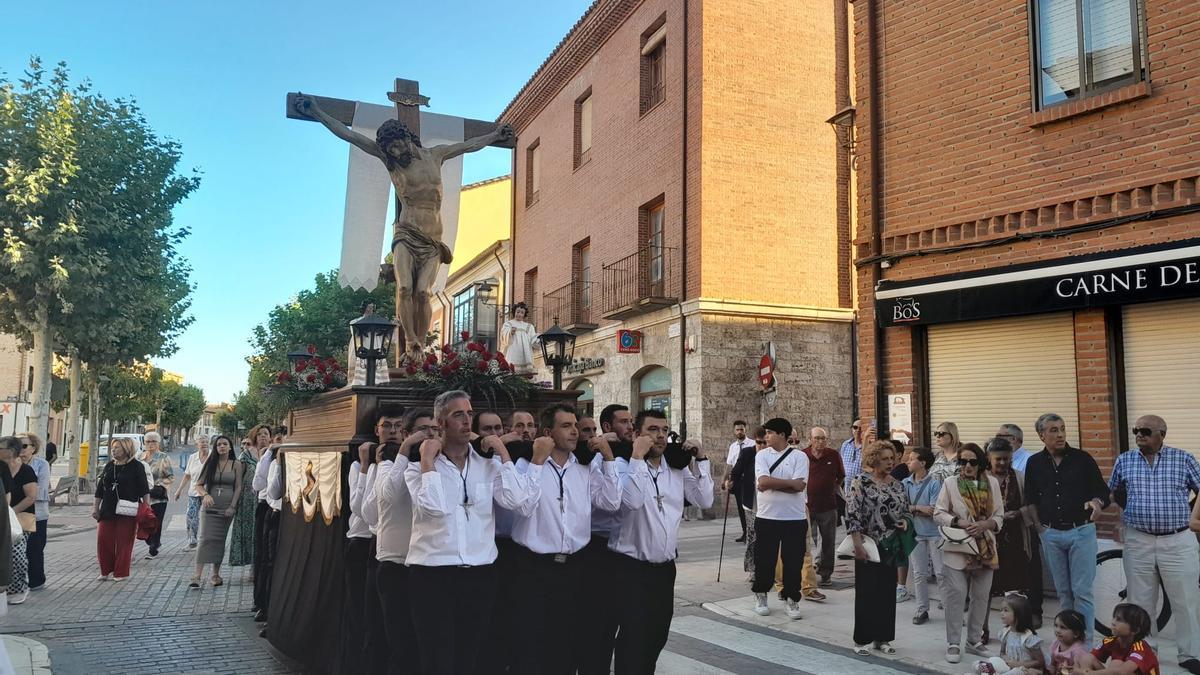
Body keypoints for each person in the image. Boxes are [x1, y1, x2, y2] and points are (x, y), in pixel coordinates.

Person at [403, 390, 540, 675]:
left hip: (480, 574)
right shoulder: (417, 467)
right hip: (433, 576)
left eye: (469, 414)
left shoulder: (488, 465)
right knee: (436, 659)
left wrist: (502, 453)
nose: (467, 421)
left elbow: (519, 502)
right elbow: (434, 508)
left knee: (472, 657)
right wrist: (429, 462)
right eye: (457, 415)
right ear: (440, 423)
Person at [508, 404, 619, 674]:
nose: (575, 431)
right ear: (548, 432)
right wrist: (537, 461)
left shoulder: (584, 467)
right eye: (566, 426)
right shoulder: (523, 465)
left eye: (575, 425)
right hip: (534, 567)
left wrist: (608, 458)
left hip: (575, 567)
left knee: (569, 641)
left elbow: (612, 501)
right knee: (532, 644)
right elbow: (522, 505)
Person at [607, 408, 713, 672]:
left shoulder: (675, 468)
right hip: (630, 567)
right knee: (633, 635)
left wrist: (701, 459)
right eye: (652, 430)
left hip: (664, 568)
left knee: (657, 633)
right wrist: (637, 457)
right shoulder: (622, 465)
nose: (660, 436)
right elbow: (631, 501)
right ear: (636, 434)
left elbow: (705, 500)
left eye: (664, 430)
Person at [1109, 414, 1200, 674]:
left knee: (1186, 600)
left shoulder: (1183, 458)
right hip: (1139, 539)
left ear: (1162, 434)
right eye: (1136, 430)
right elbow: (1114, 491)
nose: (1139, 435)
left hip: (1177, 539)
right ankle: (1144, 652)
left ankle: (1190, 654)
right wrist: (1124, 516)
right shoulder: (1124, 460)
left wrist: (1194, 516)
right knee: (1140, 601)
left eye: (1146, 431)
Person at [1023, 413, 1109, 646]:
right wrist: (1040, 529)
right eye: (1053, 430)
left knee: (1082, 592)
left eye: (1062, 428)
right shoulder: (1034, 463)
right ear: (1041, 435)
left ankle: (1086, 646)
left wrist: (1097, 503)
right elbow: (1030, 498)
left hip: (1081, 532)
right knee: (1064, 593)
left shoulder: (1082, 459)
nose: (1060, 434)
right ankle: (1068, 644)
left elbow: (1102, 492)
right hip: (1051, 534)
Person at [366, 409, 433, 675]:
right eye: (423, 430)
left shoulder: (438, 463)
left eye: (434, 430)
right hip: (396, 565)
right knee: (400, 643)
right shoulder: (388, 464)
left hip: (428, 566)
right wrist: (405, 451)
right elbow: (387, 500)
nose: (430, 435)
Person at [350, 404, 408, 674]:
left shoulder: (410, 462)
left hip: (402, 551)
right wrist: (367, 467)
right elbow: (363, 511)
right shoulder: (367, 464)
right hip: (370, 544)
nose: (393, 432)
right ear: (377, 429)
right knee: (372, 620)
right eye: (388, 426)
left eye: (399, 426)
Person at [580, 403, 636, 675]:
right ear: (608, 427)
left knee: (622, 622)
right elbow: (606, 504)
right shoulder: (595, 458)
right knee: (597, 625)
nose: (630, 426)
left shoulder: (631, 454)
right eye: (624, 422)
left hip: (624, 549)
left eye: (631, 421)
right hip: (598, 544)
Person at [935, 443, 1003, 664]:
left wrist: (986, 524)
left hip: (985, 548)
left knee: (981, 597)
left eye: (972, 462)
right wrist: (959, 522)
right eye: (963, 461)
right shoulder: (950, 483)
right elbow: (938, 512)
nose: (967, 466)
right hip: (958, 547)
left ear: (980, 463)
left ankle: (974, 641)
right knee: (956, 596)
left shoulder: (992, 483)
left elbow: (999, 515)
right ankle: (953, 642)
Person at [846, 440, 911, 657]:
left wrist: (904, 522)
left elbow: (905, 510)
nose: (890, 462)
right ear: (874, 460)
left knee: (886, 593)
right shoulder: (860, 482)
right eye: (885, 459)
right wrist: (857, 544)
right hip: (868, 544)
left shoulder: (897, 484)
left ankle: (882, 638)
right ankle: (862, 639)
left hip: (890, 544)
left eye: (892, 458)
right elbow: (852, 514)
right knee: (866, 593)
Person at [751, 418, 809, 620]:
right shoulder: (762, 456)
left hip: (794, 517)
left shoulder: (799, 457)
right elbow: (762, 481)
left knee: (793, 560)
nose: (766, 436)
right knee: (764, 559)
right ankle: (761, 594)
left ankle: (791, 598)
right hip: (767, 516)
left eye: (770, 433)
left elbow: (799, 486)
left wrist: (771, 485)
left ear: (782, 435)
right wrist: (788, 484)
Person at [996, 422, 1044, 626]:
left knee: (1030, 567)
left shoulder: (1029, 461)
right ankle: (1009, 611)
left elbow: (1033, 494)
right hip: (999, 526)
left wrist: (1021, 514)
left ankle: (1034, 610)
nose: (997, 438)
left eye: (1002, 436)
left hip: (1023, 525)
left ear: (1015, 440)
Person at [984, 437, 1031, 644]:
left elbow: (1030, 505)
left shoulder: (1019, 478)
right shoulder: (981, 479)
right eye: (998, 459)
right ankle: (981, 629)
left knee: (1014, 590)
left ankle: (1015, 632)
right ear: (989, 458)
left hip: (1014, 541)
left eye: (1006, 459)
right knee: (983, 590)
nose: (1003, 463)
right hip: (988, 542)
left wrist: (1018, 513)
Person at [92, 437, 150, 581]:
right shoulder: (109, 465)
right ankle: (105, 570)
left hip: (127, 510)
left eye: (117, 448)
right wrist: (95, 507)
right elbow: (100, 488)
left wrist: (146, 509)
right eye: (113, 448)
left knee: (124, 542)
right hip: (108, 508)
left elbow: (144, 490)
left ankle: (121, 572)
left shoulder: (137, 466)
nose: (113, 450)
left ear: (126, 449)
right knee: (104, 540)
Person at [190, 436, 244, 589]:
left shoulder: (236, 464)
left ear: (230, 447)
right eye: (219, 444)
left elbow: (238, 487)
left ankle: (215, 574)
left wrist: (232, 507)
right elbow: (198, 485)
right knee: (204, 539)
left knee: (219, 540)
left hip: (226, 508)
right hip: (209, 508)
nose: (221, 446)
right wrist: (205, 495)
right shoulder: (210, 463)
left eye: (225, 444)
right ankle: (197, 575)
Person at [902, 446, 942, 625]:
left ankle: (949, 608)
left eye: (912, 459)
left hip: (935, 533)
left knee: (942, 573)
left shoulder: (934, 483)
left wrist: (914, 509)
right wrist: (918, 509)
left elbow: (934, 510)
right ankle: (922, 609)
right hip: (916, 533)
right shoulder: (905, 483)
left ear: (923, 463)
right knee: (919, 573)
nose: (908, 462)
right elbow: (902, 508)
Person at [251, 428, 284, 621]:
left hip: (278, 510)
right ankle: (262, 602)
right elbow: (259, 485)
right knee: (264, 558)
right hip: (268, 508)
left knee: (271, 560)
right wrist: (270, 454)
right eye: (277, 439)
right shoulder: (269, 459)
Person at [1073, 604, 1159, 675]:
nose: (1113, 622)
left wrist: (1087, 673)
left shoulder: (1140, 647)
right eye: (1114, 617)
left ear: (1135, 630)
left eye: (1119, 620)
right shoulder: (1110, 641)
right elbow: (1090, 658)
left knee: (1116, 664)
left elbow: (1123, 671)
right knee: (1086, 658)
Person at [972, 593, 1044, 675]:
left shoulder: (1029, 638)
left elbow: (1040, 662)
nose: (1001, 613)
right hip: (1009, 666)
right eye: (1001, 610)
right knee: (993, 659)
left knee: (1016, 672)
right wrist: (1005, 659)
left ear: (1019, 614)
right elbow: (1002, 653)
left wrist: (1019, 664)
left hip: (1025, 670)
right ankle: (989, 669)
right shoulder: (1005, 633)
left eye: (1006, 610)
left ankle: (991, 672)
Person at [230, 424, 270, 572]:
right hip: (248, 498)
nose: (263, 437)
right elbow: (238, 479)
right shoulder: (246, 454)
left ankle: (261, 565)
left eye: (266, 434)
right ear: (255, 437)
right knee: (250, 531)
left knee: (263, 531)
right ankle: (253, 566)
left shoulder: (274, 453)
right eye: (260, 434)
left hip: (267, 498)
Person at [2, 437, 35, 604]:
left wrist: (9, 512)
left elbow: (31, 497)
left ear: (12, 451)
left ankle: (20, 587)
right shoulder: (2, 467)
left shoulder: (26, 471)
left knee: (16, 554)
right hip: (4, 517)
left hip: (20, 518)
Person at [728, 426, 762, 581]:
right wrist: (730, 482)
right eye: (759, 442)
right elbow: (735, 470)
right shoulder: (748, 452)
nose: (762, 446)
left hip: (768, 504)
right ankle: (753, 569)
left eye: (764, 443)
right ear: (755, 440)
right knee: (753, 536)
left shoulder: (772, 454)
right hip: (751, 502)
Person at [17, 433, 50, 591]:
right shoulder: (10, 464)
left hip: (36, 513)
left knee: (35, 548)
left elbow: (40, 490)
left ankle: (36, 581)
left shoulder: (41, 464)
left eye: (24, 446)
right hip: (16, 514)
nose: (21, 450)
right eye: (17, 445)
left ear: (33, 448)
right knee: (17, 549)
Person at [140, 431, 174, 559]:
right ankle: (152, 541)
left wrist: (157, 485)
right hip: (143, 496)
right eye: (148, 441)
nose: (150, 444)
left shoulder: (163, 457)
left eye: (153, 441)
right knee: (143, 521)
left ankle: (153, 548)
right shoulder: (140, 457)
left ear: (158, 443)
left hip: (158, 496)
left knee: (156, 522)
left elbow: (170, 476)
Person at [174, 435, 211, 550]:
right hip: (194, 492)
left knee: (209, 518)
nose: (204, 444)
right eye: (201, 442)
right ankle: (192, 541)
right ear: (197, 444)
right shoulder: (193, 457)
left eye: (206, 442)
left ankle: (209, 543)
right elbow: (187, 475)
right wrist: (179, 490)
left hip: (209, 493)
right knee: (191, 516)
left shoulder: (213, 457)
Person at [727, 420, 754, 543]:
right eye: (737, 430)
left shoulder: (752, 444)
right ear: (734, 431)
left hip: (748, 480)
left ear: (745, 430)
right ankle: (745, 532)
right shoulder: (733, 447)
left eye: (741, 429)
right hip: (737, 481)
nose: (739, 432)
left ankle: (751, 533)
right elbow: (729, 465)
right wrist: (725, 480)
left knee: (748, 508)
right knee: (740, 508)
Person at [499, 302, 537, 374]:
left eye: (522, 313)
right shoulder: (508, 324)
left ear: (524, 314)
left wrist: (539, 339)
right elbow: (503, 335)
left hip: (525, 353)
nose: (519, 314)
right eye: (518, 312)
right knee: (511, 370)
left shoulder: (529, 326)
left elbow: (533, 339)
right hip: (512, 350)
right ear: (514, 312)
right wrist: (510, 332)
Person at [1050, 610, 1090, 674]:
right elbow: (1052, 665)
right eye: (1056, 625)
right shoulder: (1056, 643)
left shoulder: (1078, 651)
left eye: (1062, 627)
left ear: (1076, 634)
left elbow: (1077, 672)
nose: (1057, 630)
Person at [839, 419, 865, 494]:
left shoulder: (867, 447)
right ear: (852, 429)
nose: (858, 430)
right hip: (847, 487)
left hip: (861, 487)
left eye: (861, 428)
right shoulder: (846, 444)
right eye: (855, 427)